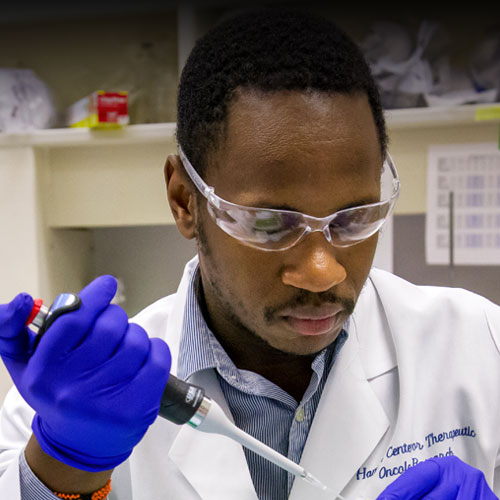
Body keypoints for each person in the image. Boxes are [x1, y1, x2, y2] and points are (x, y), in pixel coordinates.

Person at [0, 7, 499, 500]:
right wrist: (64, 470)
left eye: (354, 217)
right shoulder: (60, 414)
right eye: (271, 224)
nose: (322, 271)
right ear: (184, 201)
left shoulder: (479, 348)